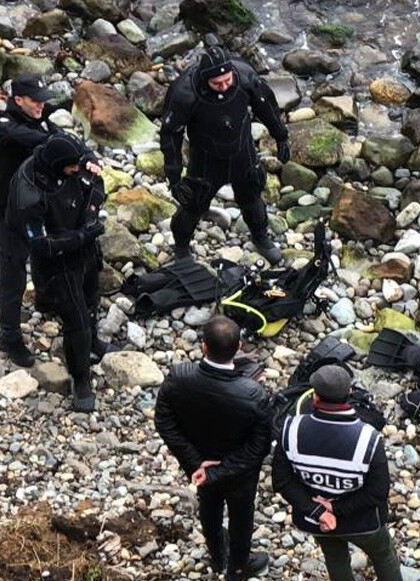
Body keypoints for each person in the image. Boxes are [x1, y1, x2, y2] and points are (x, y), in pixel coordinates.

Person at [154, 315, 270, 580]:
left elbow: (164, 421)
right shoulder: (253, 394)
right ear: (239, 347)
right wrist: (219, 469)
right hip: (239, 472)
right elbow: (259, 445)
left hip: (199, 464)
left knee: (209, 505)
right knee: (241, 517)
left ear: (203, 346)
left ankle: (217, 556)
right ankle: (238, 567)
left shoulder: (179, 377)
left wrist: (196, 463)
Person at [8, 133, 115, 411]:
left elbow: (95, 182)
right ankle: (81, 380)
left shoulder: (69, 157)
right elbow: (40, 245)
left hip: (83, 239)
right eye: (72, 167)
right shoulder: (29, 194)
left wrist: (91, 216)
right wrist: (80, 236)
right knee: (75, 318)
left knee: (92, 297)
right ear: (58, 166)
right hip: (58, 259)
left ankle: (93, 342)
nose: (76, 170)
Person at [159, 40, 289, 263]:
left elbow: (266, 105)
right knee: (192, 205)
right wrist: (174, 176)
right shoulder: (185, 92)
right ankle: (181, 248)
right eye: (217, 83)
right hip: (207, 158)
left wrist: (281, 136)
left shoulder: (244, 76)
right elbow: (170, 134)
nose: (224, 86)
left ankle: (260, 237)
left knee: (252, 197)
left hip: (242, 152)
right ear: (205, 79)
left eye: (227, 80)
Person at [271, 365, 404, 581]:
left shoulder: (290, 429)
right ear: (349, 394)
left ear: (314, 397)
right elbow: (378, 492)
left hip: (315, 520)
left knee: (335, 559)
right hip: (363, 521)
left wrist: (320, 512)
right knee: (383, 555)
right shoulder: (368, 438)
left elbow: (282, 481)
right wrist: (336, 508)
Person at [0, 74, 61, 367]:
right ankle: (9, 336)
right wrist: (57, 142)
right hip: (8, 215)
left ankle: (46, 301)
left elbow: (59, 140)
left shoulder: (41, 120)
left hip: (38, 209)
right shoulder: (3, 128)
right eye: (35, 101)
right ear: (17, 100)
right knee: (13, 275)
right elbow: (34, 139)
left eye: (44, 101)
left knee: (49, 257)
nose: (41, 106)